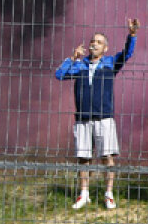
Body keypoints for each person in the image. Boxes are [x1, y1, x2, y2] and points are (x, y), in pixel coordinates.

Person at [54, 18, 139, 210]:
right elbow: (60, 75)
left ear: (106, 48)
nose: (94, 44)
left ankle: (108, 194)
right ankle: (84, 193)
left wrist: (132, 35)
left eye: (99, 42)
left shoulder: (110, 63)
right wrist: (73, 58)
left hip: (104, 118)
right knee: (84, 158)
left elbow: (127, 54)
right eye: (93, 41)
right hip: (83, 118)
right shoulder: (80, 65)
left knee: (107, 156)